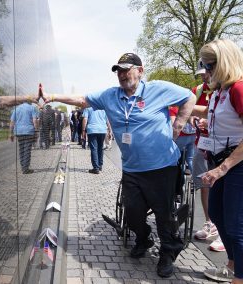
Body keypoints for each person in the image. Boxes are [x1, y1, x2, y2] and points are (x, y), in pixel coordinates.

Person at [39, 52, 196, 278]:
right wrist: (52, 96)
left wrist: (179, 123)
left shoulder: (157, 89)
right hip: (132, 168)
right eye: (119, 71)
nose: (122, 75)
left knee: (164, 214)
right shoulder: (111, 96)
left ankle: (168, 253)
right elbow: (82, 100)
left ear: (140, 71)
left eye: (127, 69)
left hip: (162, 167)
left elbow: (189, 97)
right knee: (132, 212)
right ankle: (144, 238)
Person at [192, 39, 243, 284]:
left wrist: (222, 167)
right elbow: (211, 112)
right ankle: (232, 267)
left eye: (209, 65)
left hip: (236, 164)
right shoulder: (221, 90)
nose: (206, 70)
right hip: (223, 163)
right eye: (203, 64)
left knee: (235, 224)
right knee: (217, 214)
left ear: (225, 63)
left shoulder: (238, 89)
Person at [191, 59, 225, 252]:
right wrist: (194, 118)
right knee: (205, 184)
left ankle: (223, 232)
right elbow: (193, 112)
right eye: (202, 72)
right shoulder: (197, 90)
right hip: (202, 145)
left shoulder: (227, 88)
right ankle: (210, 222)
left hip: (223, 148)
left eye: (207, 71)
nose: (204, 75)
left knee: (223, 188)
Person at [9, 102, 39, 174]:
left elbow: (12, 122)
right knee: (27, 150)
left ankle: (23, 166)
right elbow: (34, 120)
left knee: (21, 149)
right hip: (29, 131)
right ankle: (25, 169)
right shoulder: (32, 108)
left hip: (19, 132)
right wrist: (36, 130)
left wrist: (10, 133)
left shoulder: (17, 109)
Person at [82, 107, 110, 174]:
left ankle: (96, 168)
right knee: (100, 148)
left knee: (94, 148)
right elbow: (108, 120)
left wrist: (83, 130)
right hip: (102, 130)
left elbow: (85, 119)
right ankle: (100, 166)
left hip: (92, 130)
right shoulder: (103, 108)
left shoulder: (88, 108)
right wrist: (110, 130)